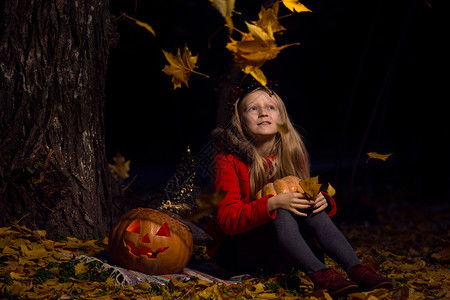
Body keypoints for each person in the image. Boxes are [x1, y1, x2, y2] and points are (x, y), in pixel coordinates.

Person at [206, 80, 393, 297]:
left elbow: (302, 191)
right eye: (253, 108)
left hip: (279, 244)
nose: (263, 113)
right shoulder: (227, 160)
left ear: (281, 117)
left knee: (309, 206)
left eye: (270, 107)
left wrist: (321, 198)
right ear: (239, 121)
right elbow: (228, 221)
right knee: (281, 210)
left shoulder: (293, 152)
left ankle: (357, 269)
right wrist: (273, 203)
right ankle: (320, 274)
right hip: (237, 249)